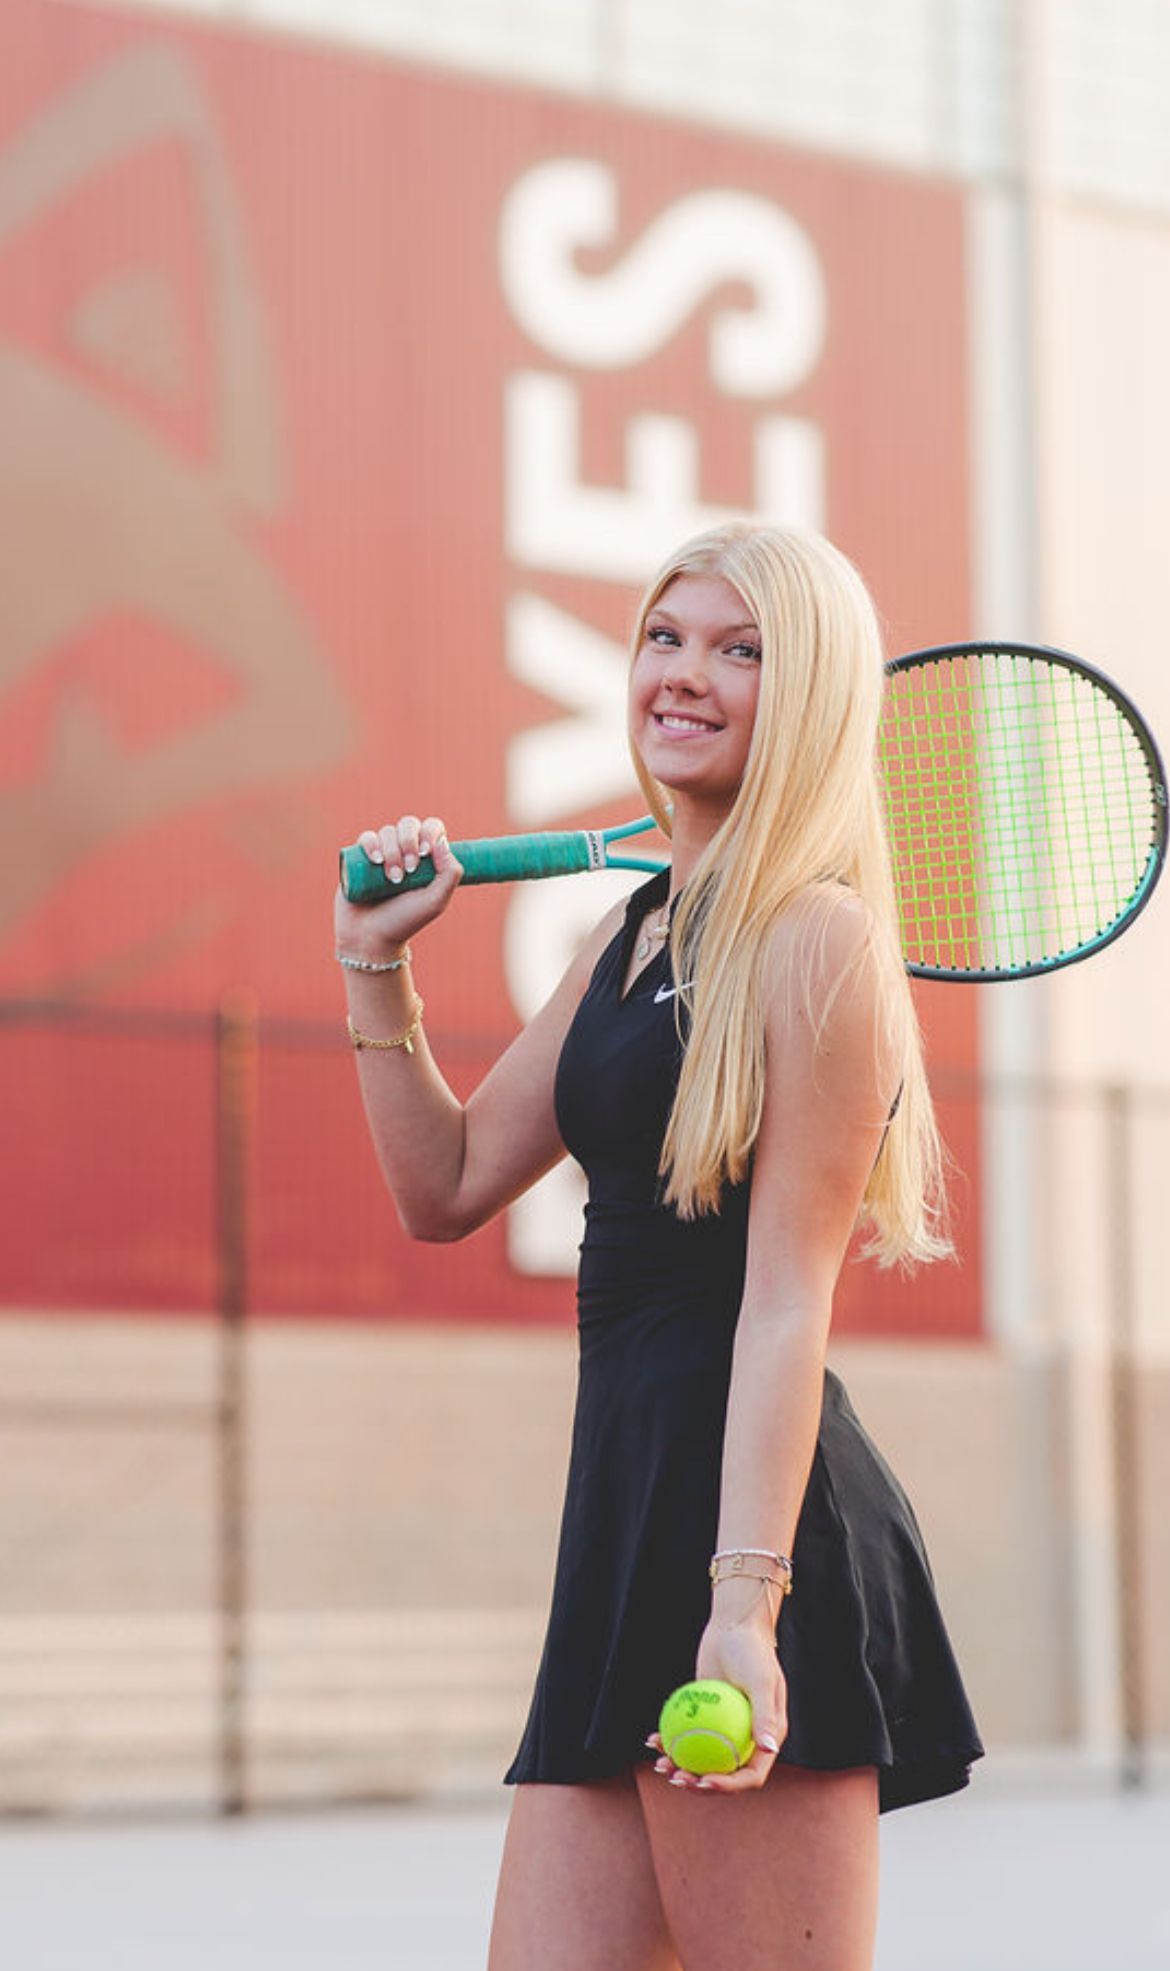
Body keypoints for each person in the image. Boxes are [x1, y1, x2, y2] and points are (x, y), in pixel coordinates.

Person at [333, 522, 983, 1971]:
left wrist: (745, 1611)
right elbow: (441, 1187)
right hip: (621, 1524)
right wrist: (375, 959)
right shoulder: (629, 934)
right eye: (666, 636)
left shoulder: (816, 941)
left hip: (752, 1540)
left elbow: (781, 1308)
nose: (684, 674)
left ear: (806, 698)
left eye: (741, 650)